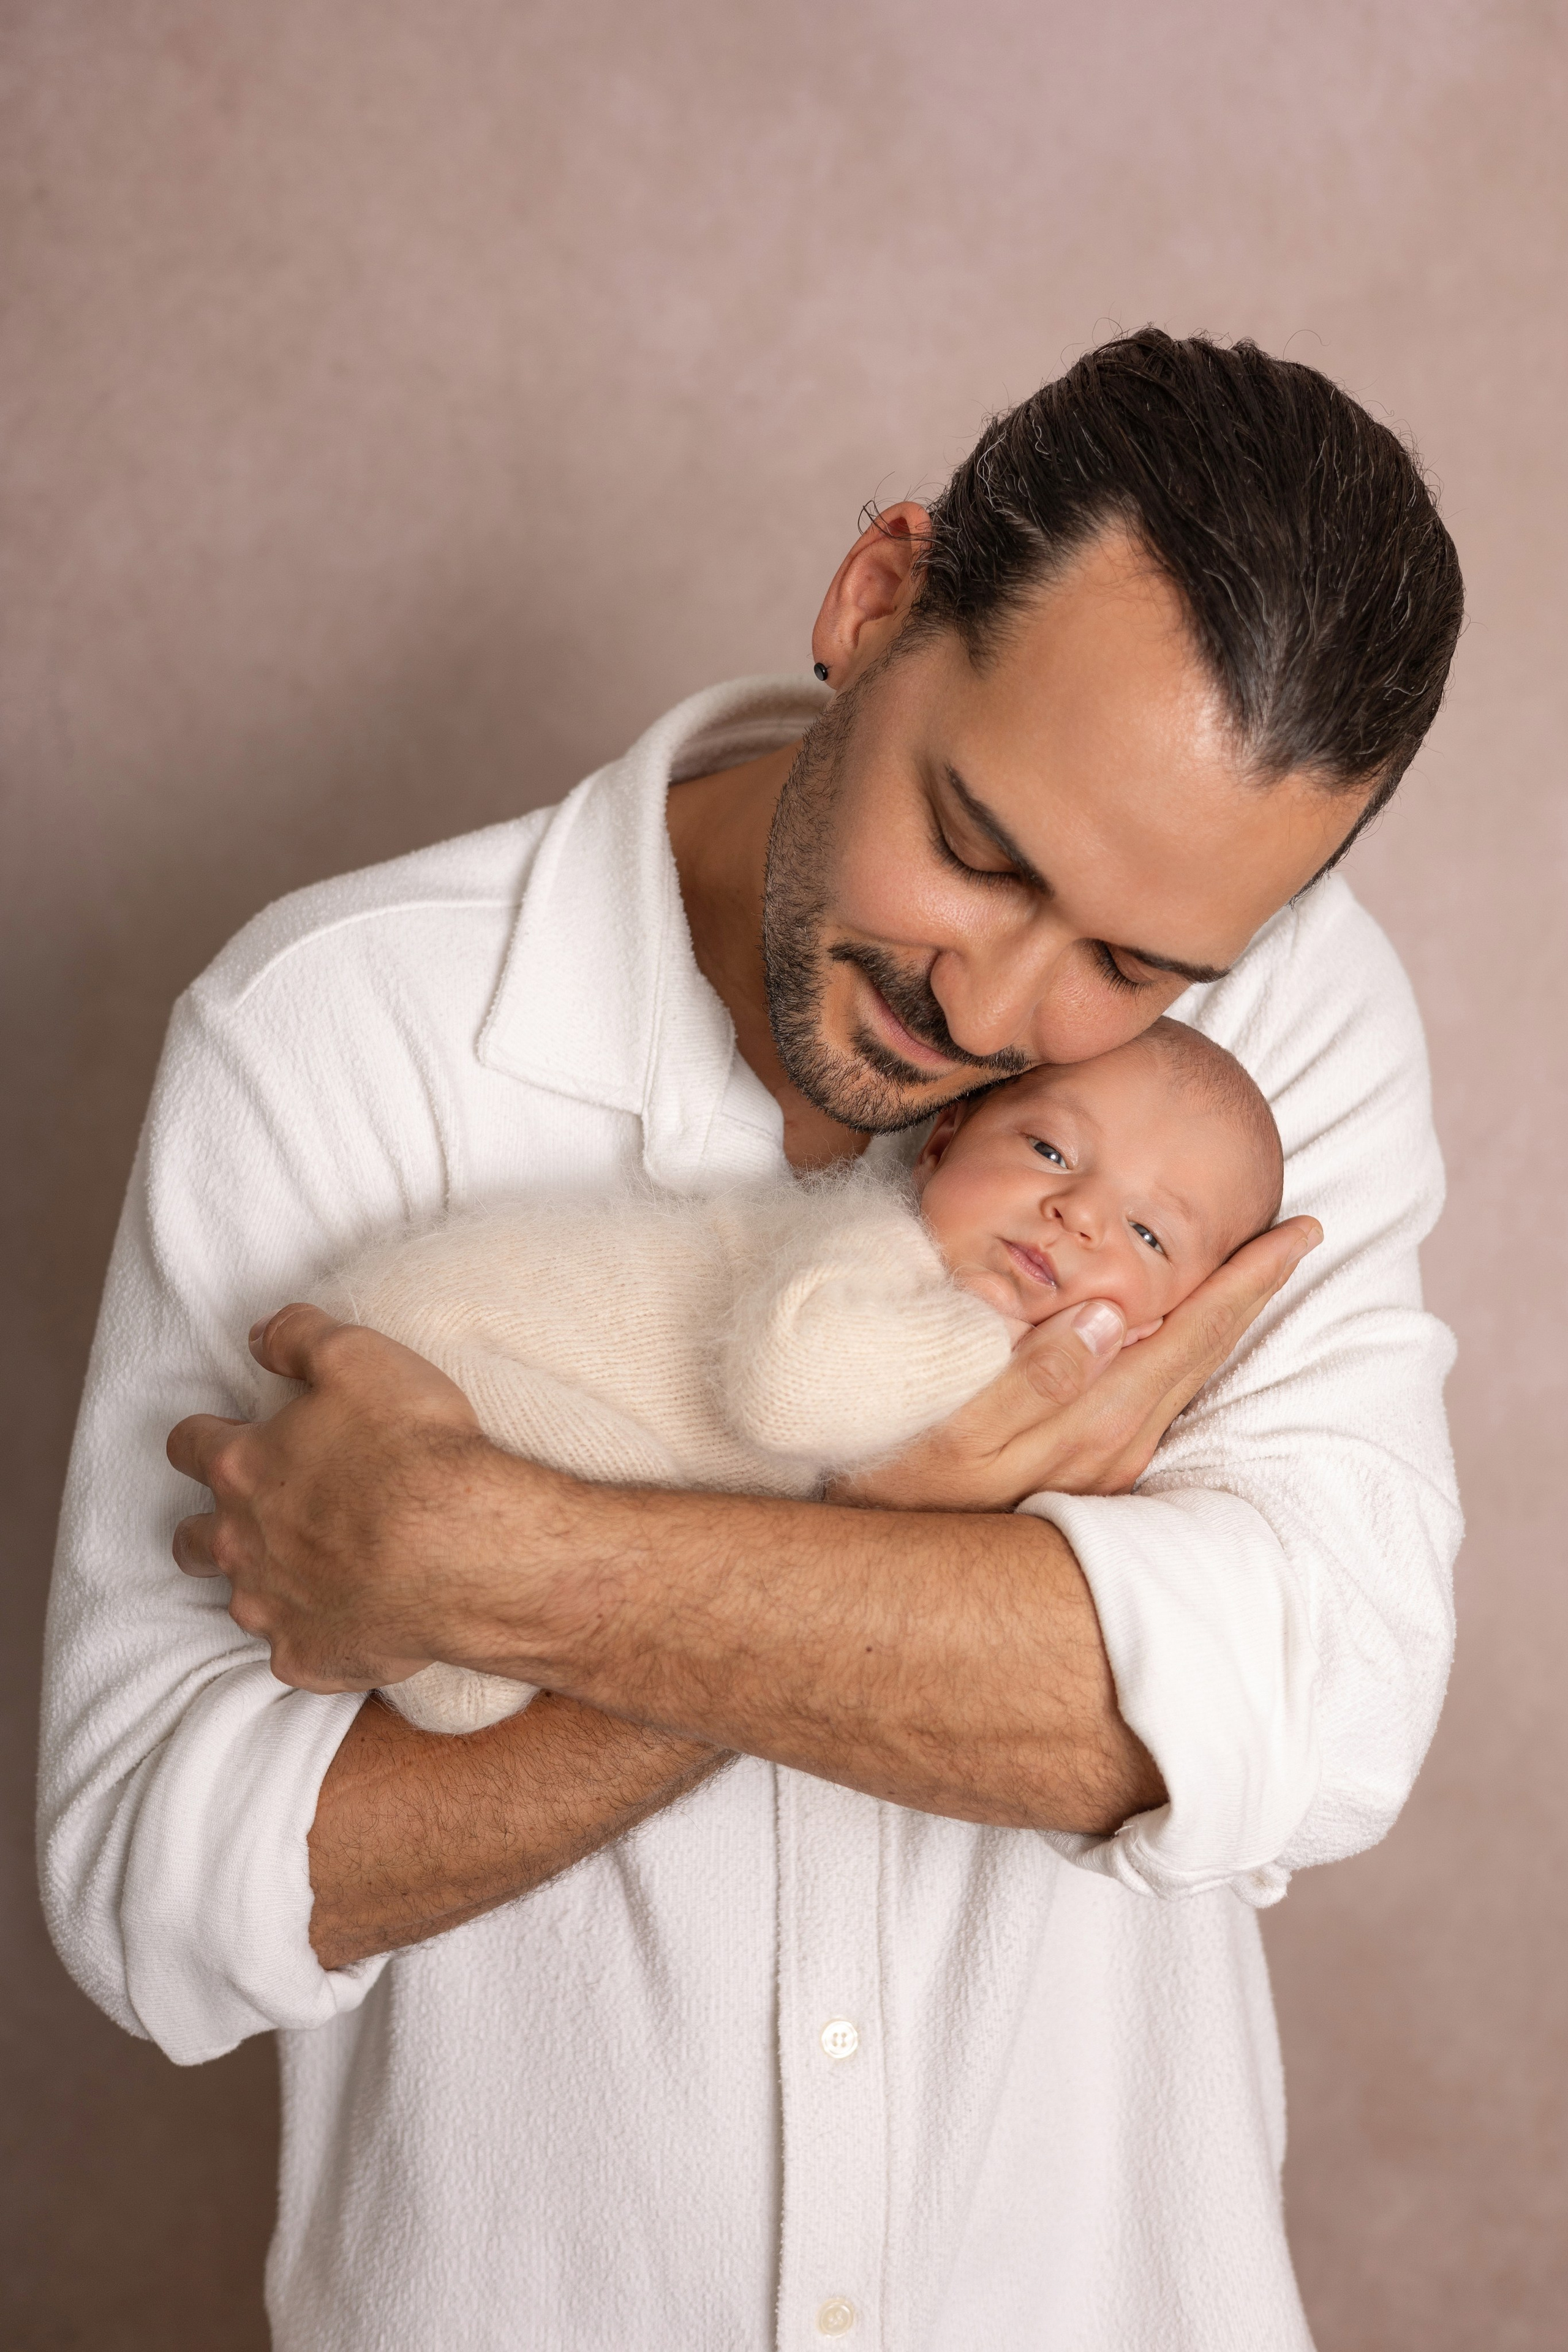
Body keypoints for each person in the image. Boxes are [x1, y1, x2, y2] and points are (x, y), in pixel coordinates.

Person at [39, 330, 1464, 2351]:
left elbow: (1311, 1711)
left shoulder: (1277, 1034)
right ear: (876, 602)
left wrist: (508, 1571)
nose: (1007, 1011)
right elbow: (163, 1898)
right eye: (981, 852)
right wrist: (935, 1544)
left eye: (1134, 966)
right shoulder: (330, 1035)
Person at [285, 1022, 1285, 1737]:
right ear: (942, 1144)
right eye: (1051, 1149)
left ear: (1163, 1327)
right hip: (427, 1343)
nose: (1077, 1213)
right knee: (504, 1635)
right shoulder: (871, 1241)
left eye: (1148, 1233)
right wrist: (990, 1339)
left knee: (508, 1620)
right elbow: (791, 1392)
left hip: (462, 1377)